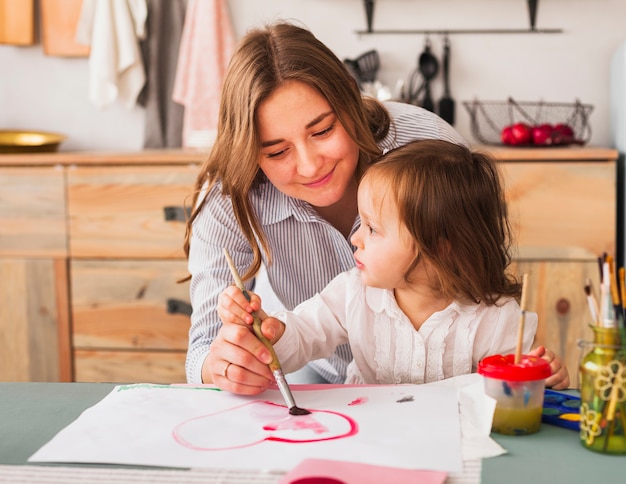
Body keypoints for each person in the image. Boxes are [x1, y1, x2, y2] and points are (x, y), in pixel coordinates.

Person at [184, 20, 467, 385]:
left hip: (441, 376)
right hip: (314, 369)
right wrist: (225, 365)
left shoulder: (428, 146)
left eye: (322, 131)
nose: (309, 165)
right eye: (277, 151)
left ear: (350, 97)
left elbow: (483, 277)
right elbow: (202, 351)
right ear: (251, 154)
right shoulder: (229, 195)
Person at [216, 139, 570, 395]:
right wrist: (273, 331)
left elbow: (512, 397)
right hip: (366, 439)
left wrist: (542, 378)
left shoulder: (498, 319)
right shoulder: (354, 291)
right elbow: (304, 335)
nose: (356, 238)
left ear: (439, 247)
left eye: (373, 228)